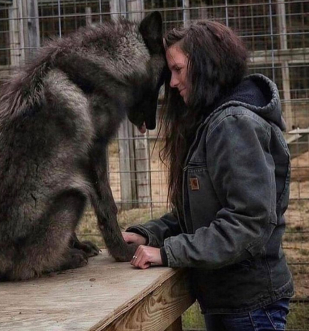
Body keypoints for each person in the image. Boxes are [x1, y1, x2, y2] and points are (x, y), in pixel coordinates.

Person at [122, 19, 294, 331]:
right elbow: (204, 214)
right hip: (229, 300)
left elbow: (247, 224)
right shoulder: (214, 119)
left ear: (206, 66)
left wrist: (167, 252)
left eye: (178, 69)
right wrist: (149, 234)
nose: (172, 83)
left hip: (250, 305)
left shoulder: (234, 124)